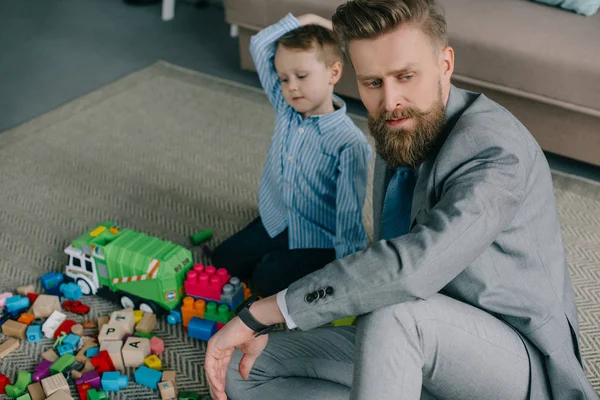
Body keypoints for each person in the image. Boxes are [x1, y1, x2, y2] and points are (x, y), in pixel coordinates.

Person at [204, 0, 599, 399]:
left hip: (508, 366)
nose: (390, 99)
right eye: (373, 82)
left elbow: (411, 270)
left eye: (406, 76)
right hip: (408, 337)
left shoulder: (495, 151)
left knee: (395, 313)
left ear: (445, 64)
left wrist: (263, 312)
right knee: (243, 371)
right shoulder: (401, 128)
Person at [210, 13, 372, 297]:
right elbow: (260, 44)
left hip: (317, 237)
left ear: (334, 73)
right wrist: (309, 19)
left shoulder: (350, 143)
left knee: (265, 282)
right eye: (284, 78)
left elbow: (349, 214)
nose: (291, 86)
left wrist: (348, 270)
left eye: (301, 76)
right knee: (222, 262)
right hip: (276, 218)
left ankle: (303, 265)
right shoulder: (287, 108)